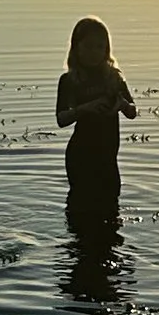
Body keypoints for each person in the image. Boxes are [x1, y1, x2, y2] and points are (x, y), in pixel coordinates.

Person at [56, 14, 136, 210]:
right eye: (89, 46)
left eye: (99, 47)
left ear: (106, 49)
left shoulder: (114, 78)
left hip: (108, 158)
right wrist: (85, 108)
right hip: (81, 157)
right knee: (80, 211)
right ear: (77, 48)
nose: (94, 52)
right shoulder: (69, 80)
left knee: (111, 213)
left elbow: (132, 111)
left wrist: (122, 104)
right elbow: (61, 118)